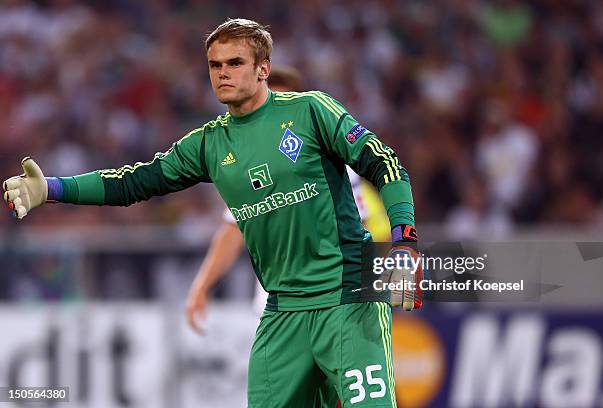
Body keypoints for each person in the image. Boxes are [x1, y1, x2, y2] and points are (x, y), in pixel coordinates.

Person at [3, 18, 421, 407]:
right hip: (282, 312)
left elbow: (386, 165)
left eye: (235, 63)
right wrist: (53, 189)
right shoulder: (209, 144)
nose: (223, 72)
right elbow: (133, 182)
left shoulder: (311, 111)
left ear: (263, 69)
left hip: (346, 299)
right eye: (215, 65)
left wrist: (404, 240)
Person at [185, 66, 390, 332]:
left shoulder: (332, 161)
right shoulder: (247, 170)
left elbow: (358, 231)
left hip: (332, 301)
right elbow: (233, 231)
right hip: (276, 307)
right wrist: (201, 286)